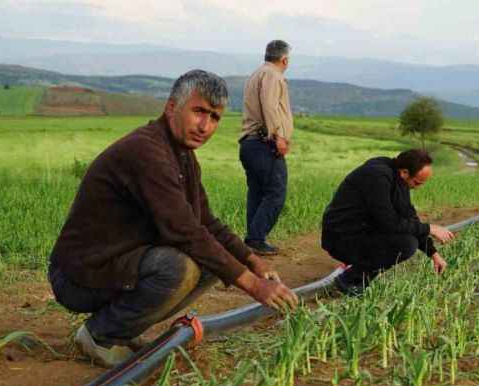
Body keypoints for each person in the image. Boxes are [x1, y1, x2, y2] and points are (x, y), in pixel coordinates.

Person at [49, 70, 298, 368]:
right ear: (171, 108)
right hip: (79, 274)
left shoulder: (181, 155)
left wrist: (252, 261)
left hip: (116, 262)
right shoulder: (147, 152)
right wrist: (254, 287)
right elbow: (185, 232)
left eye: (215, 117)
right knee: (177, 268)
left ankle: (121, 330)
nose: (205, 126)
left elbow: (205, 222)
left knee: (212, 262)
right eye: (199, 112)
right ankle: (100, 335)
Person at [321, 149, 456, 295]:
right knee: (406, 244)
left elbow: (408, 217)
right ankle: (350, 279)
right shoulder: (377, 176)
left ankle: (358, 277)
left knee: (407, 238)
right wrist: (429, 228)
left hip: (360, 232)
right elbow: (389, 222)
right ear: (404, 172)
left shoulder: (398, 179)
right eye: (417, 183)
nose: (418, 188)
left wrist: (433, 254)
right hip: (340, 237)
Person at [239, 39, 294, 255]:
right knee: (275, 192)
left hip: (250, 144)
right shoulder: (272, 75)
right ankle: (255, 239)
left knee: (258, 192)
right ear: (284, 59)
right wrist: (278, 136)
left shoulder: (257, 73)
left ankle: (253, 240)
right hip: (264, 143)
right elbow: (270, 106)